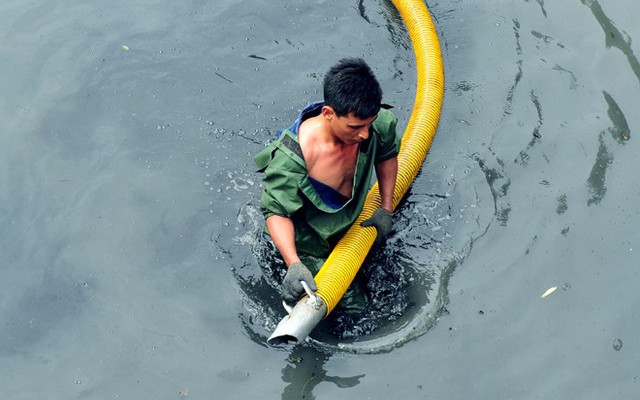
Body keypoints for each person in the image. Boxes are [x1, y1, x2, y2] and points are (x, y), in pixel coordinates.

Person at [254, 58, 399, 305]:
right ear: (328, 113)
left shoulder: (375, 123)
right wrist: (294, 264)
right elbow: (276, 211)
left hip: (353, 223)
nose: (364, 134)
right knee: (354, 305)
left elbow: (387, 154)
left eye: (369, 124)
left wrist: (386, 208)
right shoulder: (295, 157)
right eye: (355, 127)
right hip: (310, 242)